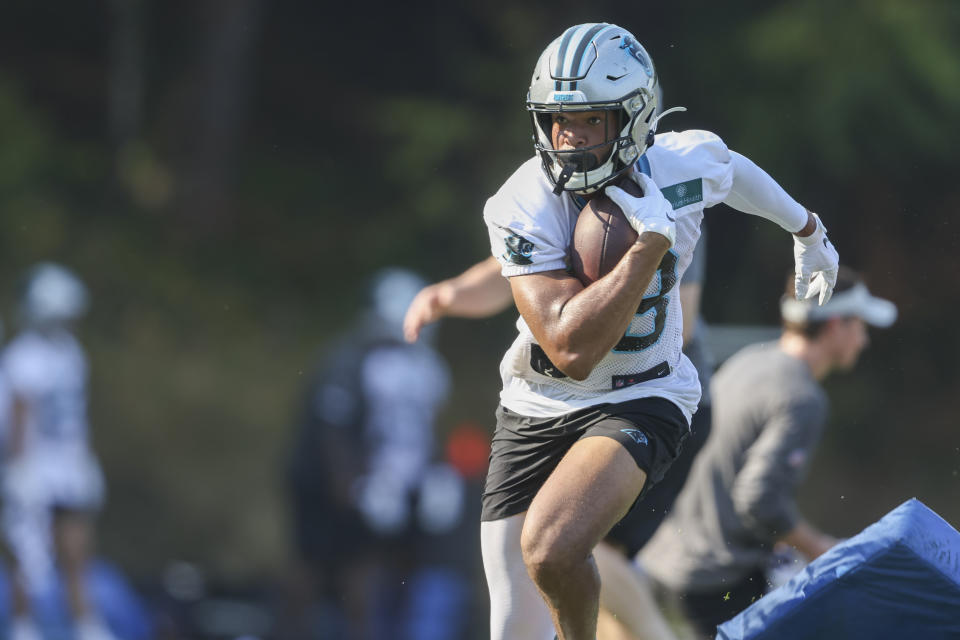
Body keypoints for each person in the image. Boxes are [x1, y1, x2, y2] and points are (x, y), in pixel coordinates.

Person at [474, 22, 839, 640]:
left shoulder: (682, 162)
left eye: (589, 121)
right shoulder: (521, 204)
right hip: (540, 399)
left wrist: (808, 231)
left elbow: (732, 170)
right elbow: (571, 351)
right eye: (557, 122)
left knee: (552, 548)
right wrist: (649, 247)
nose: (568, 140)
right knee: (510, 618)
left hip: (646, 394)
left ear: (634, 116)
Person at [403, 227, 715, 640]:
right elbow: (515, 267)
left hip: (652, 401)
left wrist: (588, 327)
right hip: (571, 405)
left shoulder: (672, 184)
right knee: (579, 568)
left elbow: (684, 321)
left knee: (566, 543)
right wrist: (452, 294)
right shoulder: (552, 184)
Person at [639, 266, 896, 639]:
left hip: (662, 559)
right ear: (836, 323)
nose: (864, 340)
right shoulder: (802, 397)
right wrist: (822, 548)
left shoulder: (749, 359)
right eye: (860, 326)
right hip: (712, 579)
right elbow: (758, 501)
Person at [285, 267, 467, 640]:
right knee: (324, 570)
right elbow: (330, 434)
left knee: (393, 570)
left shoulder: (426, 368)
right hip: (329, 489)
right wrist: (355, 486)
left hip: (392, 491)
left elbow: (424, 432)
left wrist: (437, 476)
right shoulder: (348, 360)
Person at [1, 263, 115, 640]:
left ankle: (86, 625)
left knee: (76, 551)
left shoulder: (69, 353)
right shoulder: (26, 355)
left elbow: (75, 418)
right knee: (28, 555)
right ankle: (23, 627)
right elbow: (20, 415)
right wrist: (19, 469)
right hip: (37, 464)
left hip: (65, 463)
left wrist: (86, 458)